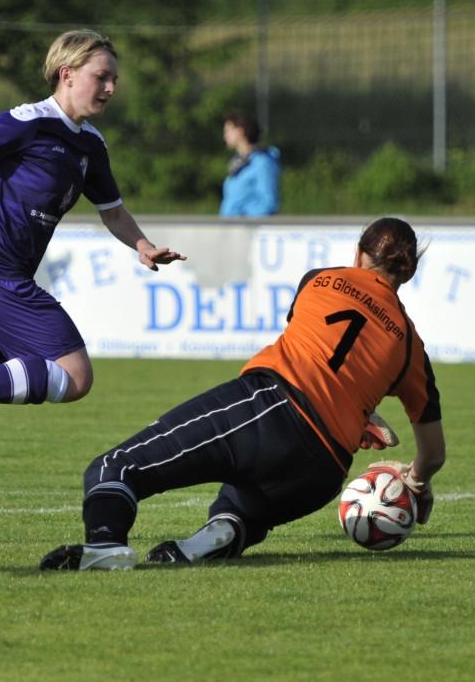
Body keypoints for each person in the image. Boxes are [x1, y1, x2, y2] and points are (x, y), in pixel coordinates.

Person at [0, 29, 186, 543]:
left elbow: (113, 212)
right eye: (101, 77)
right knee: (75, 376)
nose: (110, 88)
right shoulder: (29, 121)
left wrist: (142, 245)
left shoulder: (90, 144)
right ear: (67, 74)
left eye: (114, 78)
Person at [39, 217, 446, 571]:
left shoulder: (321, 279)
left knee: (115, 468)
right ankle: (219, 535)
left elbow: (319, 350)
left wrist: (355, 410)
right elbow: (433, 453)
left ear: (358, 253)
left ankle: (105, 545)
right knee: (238, 508)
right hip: (323, 473)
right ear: (408, 273)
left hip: (271, 410)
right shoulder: (412, 346)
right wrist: (415, 481)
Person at [218, 111, 281, 218]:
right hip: (231, 225)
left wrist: (244, 218)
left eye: (228, 131)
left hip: (247, 226)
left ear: (240, 131)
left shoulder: (262, 162)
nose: (225, 135)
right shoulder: (238, 164)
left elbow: (268, 202)